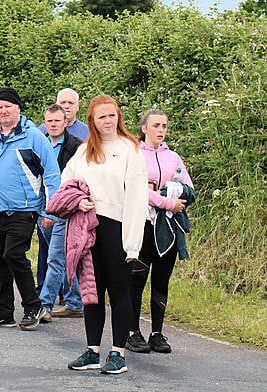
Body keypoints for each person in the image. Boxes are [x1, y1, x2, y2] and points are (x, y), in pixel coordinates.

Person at [56, 94, 147, 374]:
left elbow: (136, 198)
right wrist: (77, 201)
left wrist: (132, 245)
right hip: (88, 230)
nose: (108, 121)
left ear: (118, 116)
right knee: (92, 293)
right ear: (92, 122)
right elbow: (66, 183)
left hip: (117, 229)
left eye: (112, 115)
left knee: (119, 292)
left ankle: (118, 352)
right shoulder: (85, 151)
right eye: (101, 117)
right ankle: (92, 350)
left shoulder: (130, 148)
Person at [0, 87, 60, 331]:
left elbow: (51, 174)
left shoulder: (33, 137)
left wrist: (50, 211)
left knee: (13, 254)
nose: (4, 110)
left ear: (18, 108)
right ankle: (3, 312)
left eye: (8, 106)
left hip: (24, 209)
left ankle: (33, 306)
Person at [126, 109, 195, 354]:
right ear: (144, 128)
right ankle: (132, 332)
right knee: (136, 280)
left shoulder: (173, 157)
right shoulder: (133, 153)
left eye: (164, 126)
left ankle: (157, 332)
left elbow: (189, 189)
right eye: (156, 125)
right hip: (142, 225)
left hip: (167, 228)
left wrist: (169, 193)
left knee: (161, 280)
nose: (161, 130)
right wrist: (167, 200)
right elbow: (136, 189)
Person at [35, 88, 88, 299]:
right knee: (51, 252)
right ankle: (71, 298)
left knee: (60, 254)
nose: (66, 106)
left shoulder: (81, 138)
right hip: (43, 203)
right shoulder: (40, 137)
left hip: (67, 205)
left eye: (70, 103)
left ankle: (45, 303)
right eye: (62, 102)